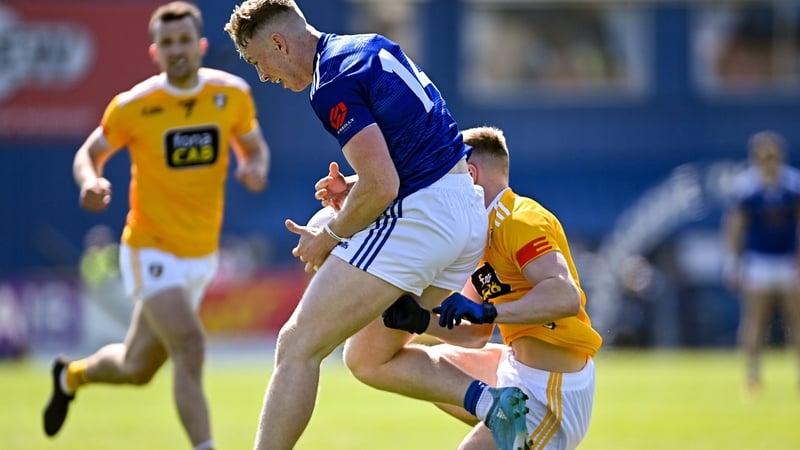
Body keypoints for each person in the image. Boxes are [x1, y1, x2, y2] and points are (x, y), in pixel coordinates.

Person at [224, 2, 529, 450]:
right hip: (463, 209)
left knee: (297, 345)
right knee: (367, 357)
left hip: (423, 219)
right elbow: (415, 149)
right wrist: (354, 184)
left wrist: (329, 236)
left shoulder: (330, 82)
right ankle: (492, 405)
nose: (263, 75)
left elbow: (382, 186)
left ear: (279, 42)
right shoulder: (365, 46)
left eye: (257, 61)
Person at [43, 3, 270, 450]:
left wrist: (255, 168)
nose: (176, 49)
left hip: (200, 256)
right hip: (150, 248)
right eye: (167, 43)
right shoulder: (135, 106)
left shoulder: (232, 94)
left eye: (184, 40)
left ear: (201, 45)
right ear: (155, 51)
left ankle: (70, 376)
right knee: (189, 343)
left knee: (136, 369)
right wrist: (91, 180)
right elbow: (89, 154)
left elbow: (253, 147)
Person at [355, 125, 602, 449]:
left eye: (444, 174)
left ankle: (506, 414)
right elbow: (475, 334)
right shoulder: (480, 233)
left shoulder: (518, 220)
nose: (435, 186)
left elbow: (565, 295)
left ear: (469, 175)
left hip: (551, 391)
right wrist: (419, 320)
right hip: (514, 367)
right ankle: (492, 404)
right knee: (382, 361)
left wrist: (488, 311)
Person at [722, 130, 800, 397]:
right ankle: (752, 375)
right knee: (756, 319)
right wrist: (734, 260)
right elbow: (735, 226)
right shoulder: (748, 189)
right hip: (759, 261)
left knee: (796, 318)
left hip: (788, 260)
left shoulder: (792, 186)